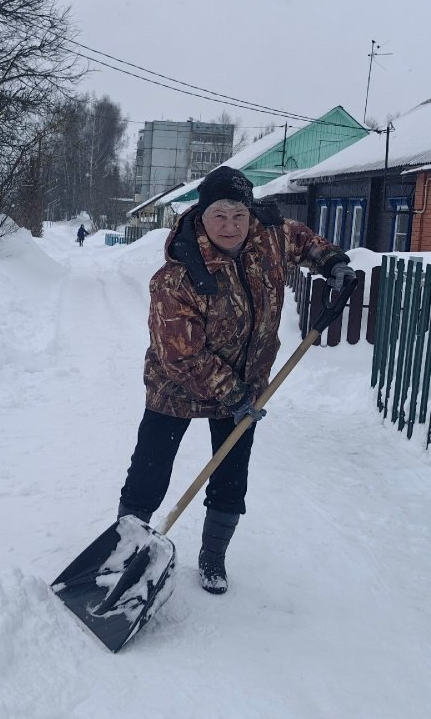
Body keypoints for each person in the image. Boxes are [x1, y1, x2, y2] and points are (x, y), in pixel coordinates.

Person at [116, 165, 355, 594]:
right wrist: (236, 393)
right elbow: (182, 354)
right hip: (178, 388)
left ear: (249, 213)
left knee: (230, 475)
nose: (230, 227)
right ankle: (123, 551)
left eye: (238, 215)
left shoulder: (268, 236)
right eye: (219, 216)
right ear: (201, 215)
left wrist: (332, 261)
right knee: (150, 470)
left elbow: (299, 238)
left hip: (246, 382)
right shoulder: (176, 276)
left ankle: (213, 557)